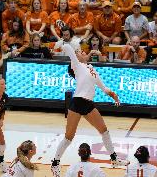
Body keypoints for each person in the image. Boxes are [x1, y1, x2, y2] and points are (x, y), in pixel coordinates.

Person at [50, 44, 129, 177]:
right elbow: (69, 49)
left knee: (104, 130)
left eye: (81, 51)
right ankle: (55, 163)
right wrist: (60, 44)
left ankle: (114, 159)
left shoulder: (91, 68)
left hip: (88, 104)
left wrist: (113, 94)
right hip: (77, 102)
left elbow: (103, 87)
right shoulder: (77, 65)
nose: (82, 52)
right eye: (80, 52)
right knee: (69, 137)